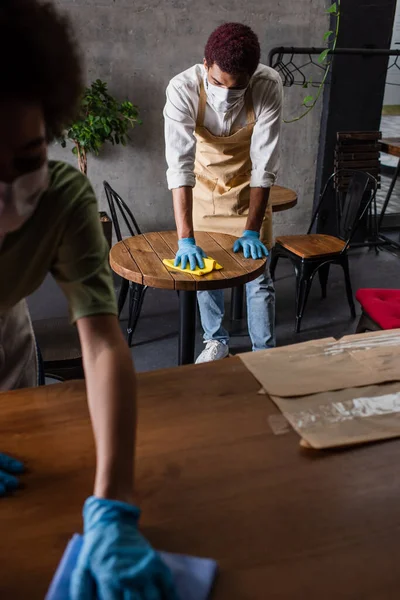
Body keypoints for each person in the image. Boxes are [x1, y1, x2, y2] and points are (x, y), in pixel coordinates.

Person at [0, 2, 177, 599]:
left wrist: (113, 502)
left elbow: (102, 341)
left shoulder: (60, 200)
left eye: (25, 163)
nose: (6, 200)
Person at [164, 22, 283, 363]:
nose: (226, 93)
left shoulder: (267, 85)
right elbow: (179, 166)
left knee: (259, 279)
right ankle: (216, 340)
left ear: (252, 75)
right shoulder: (182, 89)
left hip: (249, 190)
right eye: (217, 82)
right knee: (207, 274)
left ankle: (265, 354)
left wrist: (251, 227)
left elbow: (264, 165)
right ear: (206, 65)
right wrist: (185, 238)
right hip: (202, 189)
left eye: (237, 86)